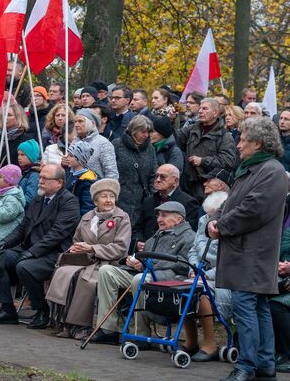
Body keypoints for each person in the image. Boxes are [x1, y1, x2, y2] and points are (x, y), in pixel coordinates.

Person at [208, 117, 289, 381]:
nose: (238, 144)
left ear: (258, 143)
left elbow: (253, 209)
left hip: (253, 254)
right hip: (245, 252)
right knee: (258, 308)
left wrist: (222, 225)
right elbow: (231, 203)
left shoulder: (272, 171)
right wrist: (214, 220)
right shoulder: (252, 169)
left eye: (243, 140)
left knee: (246, 308)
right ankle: (264, 365)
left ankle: (247, 366)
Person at [0, 163, 80, 326]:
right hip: (29, 249)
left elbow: (56, 235)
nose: (40, 181)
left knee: (24, 267)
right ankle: (7, 309)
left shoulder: (69, 202)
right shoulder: (39, 199)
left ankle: (43, 310)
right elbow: (22, 227)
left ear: (59, 182)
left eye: (45, 178)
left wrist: (31, 252)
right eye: (40, 177)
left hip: (54, 253)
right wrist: (4, 242)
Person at [88, 201, 195, 345]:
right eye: (158, 216)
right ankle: (108, 330)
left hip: (169, 280)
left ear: (179, 219)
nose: (159, 219)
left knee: (139, 279)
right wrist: (133, 261)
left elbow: (184, 265)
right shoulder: (158, 234)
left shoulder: (189, 236)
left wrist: (147, 265)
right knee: (106, 271)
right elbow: (145, 259)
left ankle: (141, 334)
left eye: (164, 215)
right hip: (147, 274)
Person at [46, 179, 131, 340]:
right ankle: (64, 322)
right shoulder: (87, 217)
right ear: (95, 201)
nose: (109, 200)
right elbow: (77, 240)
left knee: (85, 280)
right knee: (63, 273)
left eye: (112, 196)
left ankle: (82, 326)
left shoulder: (122, 218)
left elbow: (120, 248)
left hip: (108, 264)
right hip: (85, 261)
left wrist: (92, 248)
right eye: (104, 196)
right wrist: (76, 248)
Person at [183, 191, 231, 362]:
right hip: (200, 273)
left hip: (224, 280)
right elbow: (193, 250)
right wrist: (194, 268)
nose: (210, 219)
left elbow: (230, 261)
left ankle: (210, 344)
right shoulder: (204, 221)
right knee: (185, 288)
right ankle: (191, 341)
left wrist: (205, 275)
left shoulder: (231, 225)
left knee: (199, 291)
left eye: (214, 215)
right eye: (208, 215)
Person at [176, 97, 236, 201]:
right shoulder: (192, 129)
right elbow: (175, 139)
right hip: (187, 184)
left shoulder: (224, 136)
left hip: (207, 187)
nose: (200, 111)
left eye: (205, 108)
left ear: (215, 113)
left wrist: (203, 161)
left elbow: (228, 161)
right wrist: (173, 120)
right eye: (200, 108)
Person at [113, 115, 156, 241]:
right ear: (133, 130)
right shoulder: (117, 145)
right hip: (119, 199)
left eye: (148, 132)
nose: (146, 135)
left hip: (141, 202)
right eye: (143, 132)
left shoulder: (150, 149)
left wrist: (151, 197)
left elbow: (153, 173)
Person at [136, 163, 199, 245]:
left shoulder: (188, 202)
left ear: (175, 181)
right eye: (156, 176)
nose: (157, 180)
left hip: (172, 249)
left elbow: (188, 233)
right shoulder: (148, 201)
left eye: (163, 177)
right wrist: (138, 242)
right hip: (146, 248)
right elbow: (137, 228)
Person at [269, 219, 290, 374]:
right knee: (259, 299)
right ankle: (278, 352)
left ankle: (286, 354)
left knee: (276, 305)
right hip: (279, 278)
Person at [75, 108, 118, 179]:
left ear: (91, 123)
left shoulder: (103, 143)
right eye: (75, 122)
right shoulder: (74, 142)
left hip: (98, 185)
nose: (76, 124)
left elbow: (112, 173)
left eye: (80, 121)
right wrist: (64, 163)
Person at [64, 140, 98, 217]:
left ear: (80, 159)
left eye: (71, 156)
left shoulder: (88, 180)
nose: (67, 158)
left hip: (76, 219)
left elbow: (87, 207)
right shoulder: (69, 173)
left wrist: (82, 221)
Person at [16, 139, 41, 204]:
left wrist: (13, 203)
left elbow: (30, 198)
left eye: (22, 155)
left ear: (31, 156)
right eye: (18, 155)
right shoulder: (25, 172)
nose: (19, 157)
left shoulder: (35, 174)